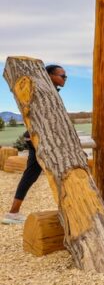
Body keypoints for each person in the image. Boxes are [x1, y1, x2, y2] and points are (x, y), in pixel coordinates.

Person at [3, 64, 67, 224]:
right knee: (36, 173)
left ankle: (13, 212)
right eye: (62, 76)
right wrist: (35, 135)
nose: (65, 79)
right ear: (50, 76)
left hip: (38, 137)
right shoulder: (43, 92)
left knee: (33, 173)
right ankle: (13, 213)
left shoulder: (51, 92)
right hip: (37, 138)